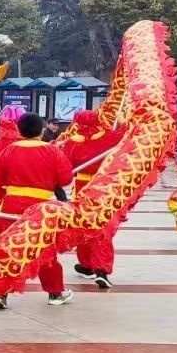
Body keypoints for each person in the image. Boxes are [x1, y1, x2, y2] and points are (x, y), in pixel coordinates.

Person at [0, 113, 75, 309]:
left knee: (7, 250)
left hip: (11, 206)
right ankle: (55, 292)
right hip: (39, 209)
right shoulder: (52, 151)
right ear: (41, 129)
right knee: (44, 250)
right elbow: (66, 178)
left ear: (20, 130)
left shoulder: (9, 150)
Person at [63, 110, 124, 287]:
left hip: (83, 190)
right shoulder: (110, 137)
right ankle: (102, 269)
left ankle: (87, 264)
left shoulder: (71, 143)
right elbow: (128, 137)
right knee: (103, 228)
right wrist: (122, 122)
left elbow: (65, 173)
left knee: (84, 227)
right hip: (105, 188)